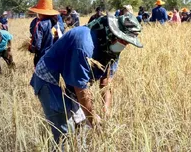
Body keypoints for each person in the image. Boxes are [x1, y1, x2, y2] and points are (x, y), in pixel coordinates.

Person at [30, 13, 143, 144]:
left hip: (71, 79)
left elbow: (107, 80)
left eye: (127, 42)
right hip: (51, 77)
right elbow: (81, 88)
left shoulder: (112, 49)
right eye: (123, 40)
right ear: (113, 33)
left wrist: (106, 107)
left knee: (81, 125)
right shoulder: (84, 44)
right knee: (65, 131)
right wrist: (93, 118)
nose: (125, 45)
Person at [28, 0, 60, 66]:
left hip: (42, 59)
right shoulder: (55, 23)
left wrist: (30, 47)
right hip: (54, 58)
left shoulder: (40, 24)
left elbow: (36, 46)